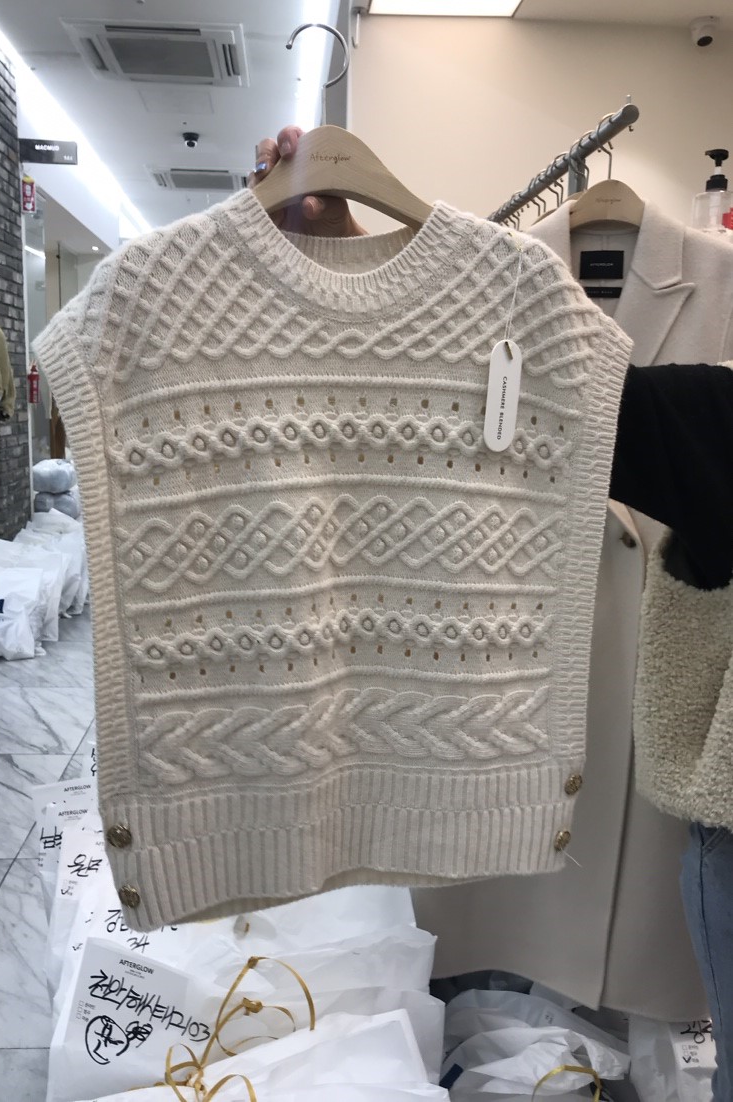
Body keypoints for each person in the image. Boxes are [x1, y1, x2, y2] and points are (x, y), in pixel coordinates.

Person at [251, 124, 733, 1098]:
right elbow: (405, 390)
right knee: (486, 963)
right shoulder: (475, 277)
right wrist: (354, 258)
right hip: (496, 692)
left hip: (666, 709)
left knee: (648, 990)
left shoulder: (721, 281)